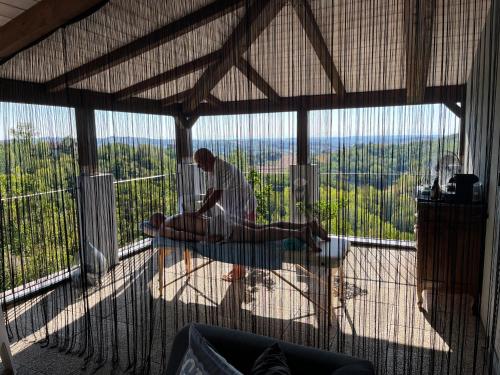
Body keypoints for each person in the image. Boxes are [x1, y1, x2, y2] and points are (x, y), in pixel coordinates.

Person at [193, 148, 257, 281]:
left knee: (240, 239)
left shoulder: (220, 168)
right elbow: (211, 189)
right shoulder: (212, 169)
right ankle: (238, 269)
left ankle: (239, 271)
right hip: (235, 207)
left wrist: (199, 213)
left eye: (199, 163)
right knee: (238, 237)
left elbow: (216, 195)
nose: (198, 166)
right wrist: (205, 200)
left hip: (243, 206)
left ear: (207, 158)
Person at [148, 212, 329, 252]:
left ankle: (300, 234)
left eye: (152, 223)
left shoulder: (164, 227)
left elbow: (183, 236)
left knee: (260, 235)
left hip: (216, 228)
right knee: (262, 227)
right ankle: (308, 226)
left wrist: (204, 239)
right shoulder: (175, 215)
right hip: (220, 219)